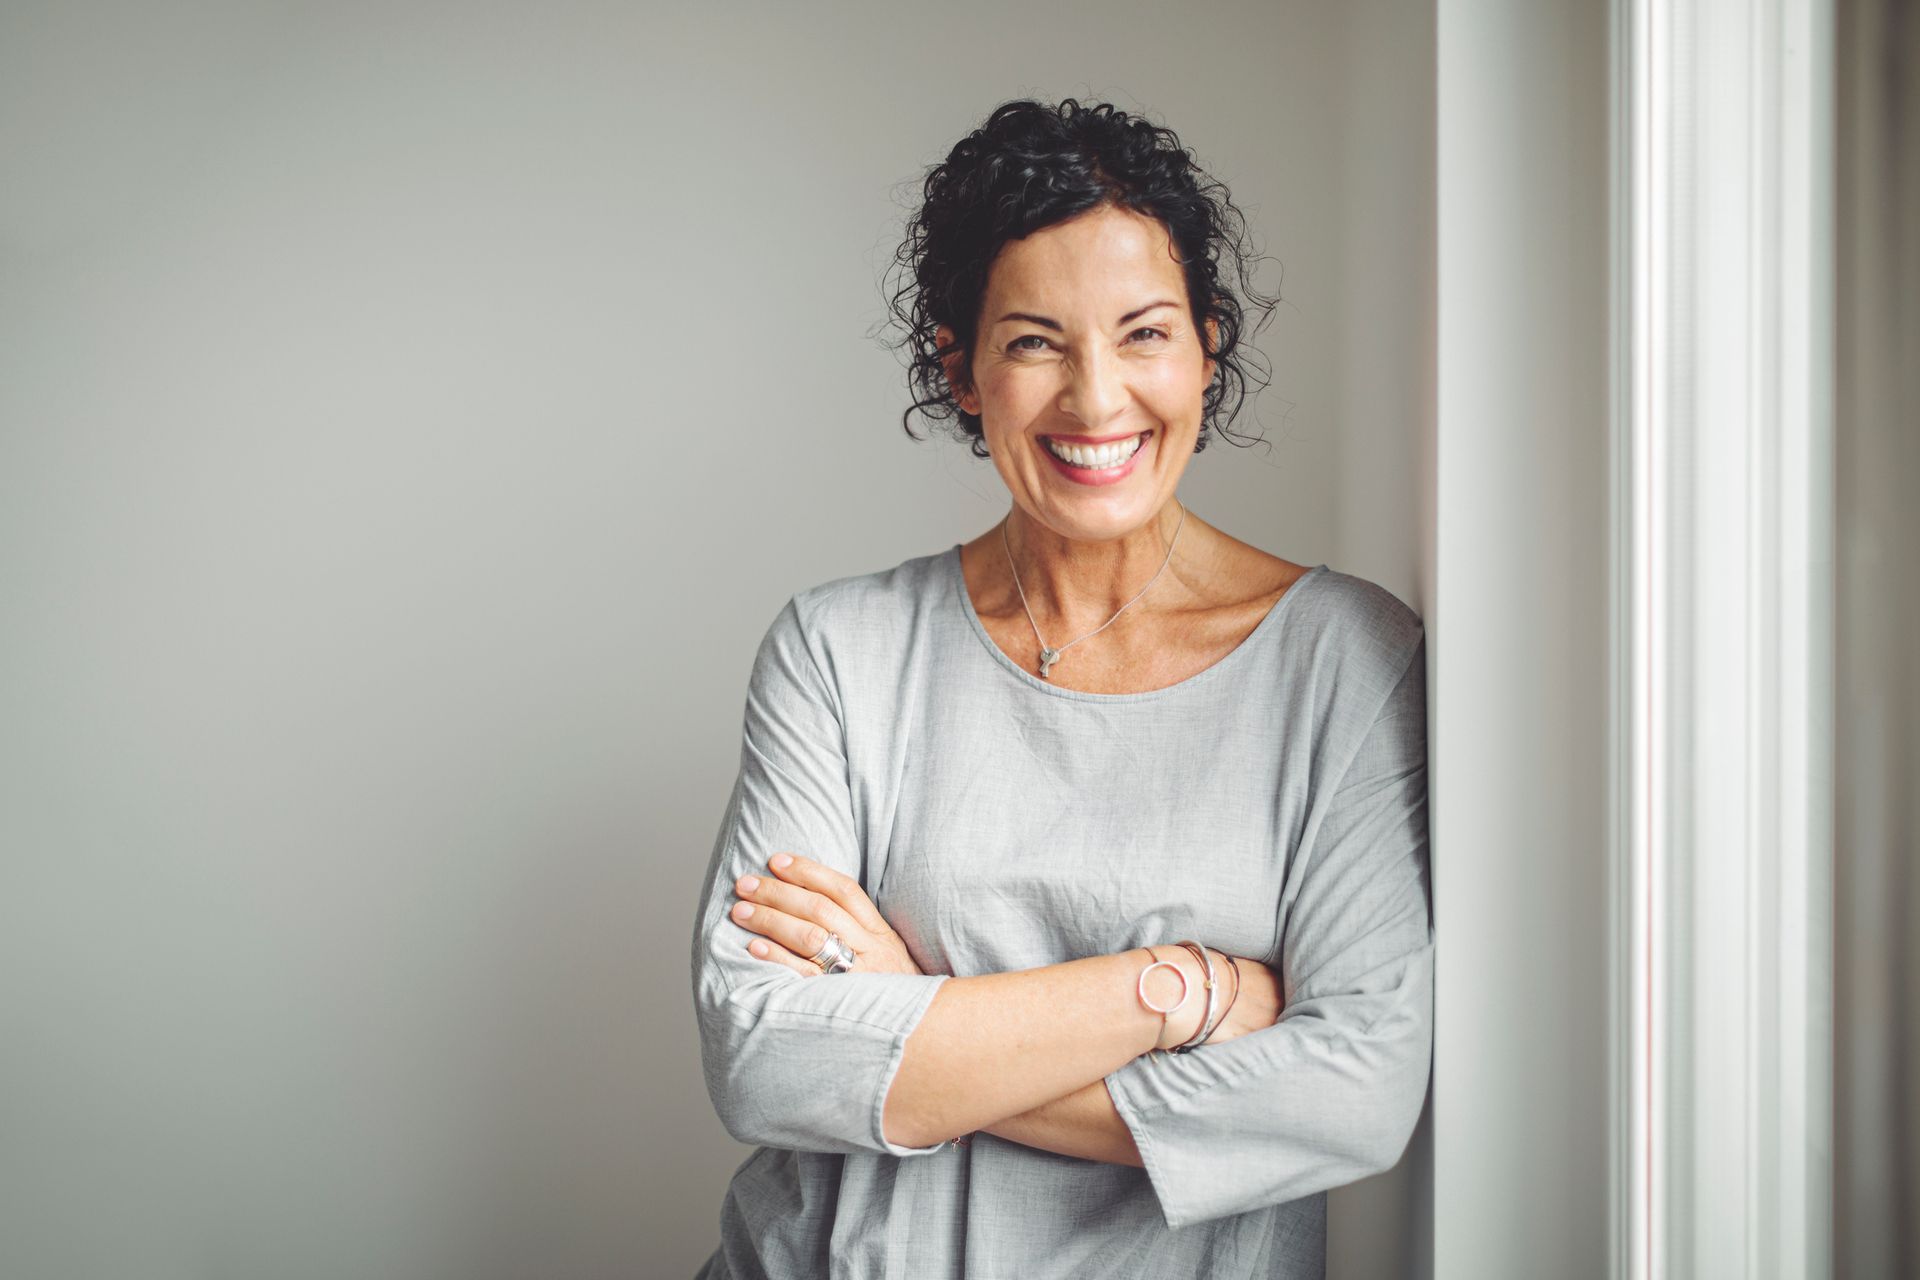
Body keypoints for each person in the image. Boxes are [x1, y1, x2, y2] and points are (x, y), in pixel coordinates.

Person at [688, 98, 1432, 1279]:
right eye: (1035, 340)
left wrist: (919, 1014)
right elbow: (766, 1055)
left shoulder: (1344, 659)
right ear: (963, 369)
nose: (1096, 401)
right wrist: (1180, 990)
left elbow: (1350, 1098)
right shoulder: (838, 651)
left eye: (1144, 333)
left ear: (1208, 346)